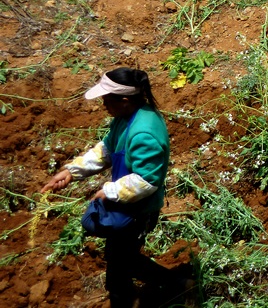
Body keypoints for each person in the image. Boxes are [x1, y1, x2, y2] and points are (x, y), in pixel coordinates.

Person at [42, 68, 189, 307]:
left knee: (123, 261)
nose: (102, 104)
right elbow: (107, 149)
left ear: (124, 100)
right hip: (127, 206)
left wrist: (110, 191)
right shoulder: (125, 118)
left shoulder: (144, 132)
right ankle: (142, 290)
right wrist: (71, 172)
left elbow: (147, 180)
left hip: (138, 211)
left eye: (106, 99)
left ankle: (177, 285)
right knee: (120, 258)